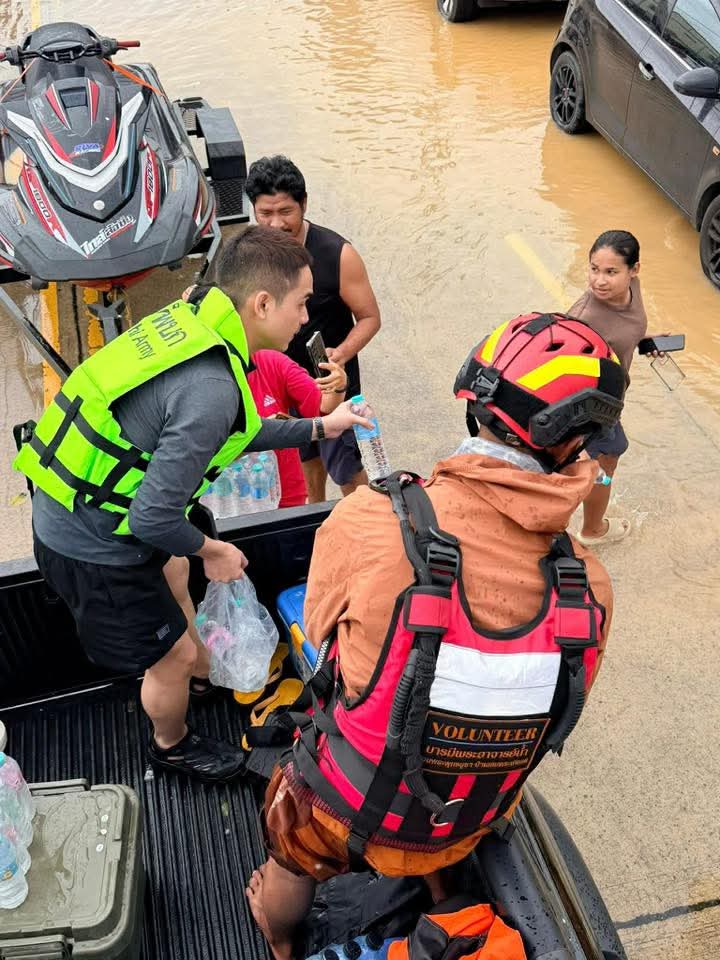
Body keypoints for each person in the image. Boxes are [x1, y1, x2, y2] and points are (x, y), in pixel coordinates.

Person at [246, 312, 627, 960]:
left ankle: (280, 943)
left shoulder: (373, 519)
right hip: (465, 823)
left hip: (343, 810)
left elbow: (318, 628)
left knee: (291, 839)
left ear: (474, 406)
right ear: (577, 445)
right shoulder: (588, 587)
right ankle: (435, 886)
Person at [13, 225, 370, 783]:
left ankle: (197, 675)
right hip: (91, 543)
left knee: (176, 568)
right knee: (171, 656)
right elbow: (151, 516)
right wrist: (214, 552)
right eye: (301, 304)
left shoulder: (197, 321)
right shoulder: (210, 386)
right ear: (262, 303)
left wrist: (323, 425)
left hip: (82, 504)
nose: (306, 319)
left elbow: (232, 429)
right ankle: (171, 743)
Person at [245, 155, 381, 502]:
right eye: (265, 213)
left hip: (330, 383)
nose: (276, 224)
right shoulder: (252, 257)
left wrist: (342, 353)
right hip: (282, 386)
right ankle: (314, 520)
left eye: (285, 211)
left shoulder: (338, 254)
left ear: (304, 203)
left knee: (348, 470)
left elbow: (370, 318)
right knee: (304, 462)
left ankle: (368, 520)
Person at [567, 230, 658, 547]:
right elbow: (567, 379)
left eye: (610, 271)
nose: (599, 281)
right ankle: (593, 530)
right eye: (594, 269)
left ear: (634, 270)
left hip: (610, 398)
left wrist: (643, 341)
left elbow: (623, 328)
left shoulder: (632, 289)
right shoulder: (584, 320)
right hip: (593, 406)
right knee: (603, 463)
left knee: (598, 461)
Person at [247, 351, 348, 507]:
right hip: (230, 498)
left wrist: (338, 385)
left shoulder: (272, 361)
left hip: (286, 490)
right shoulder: (212, 379)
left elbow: (323, 407)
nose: (303, 325)